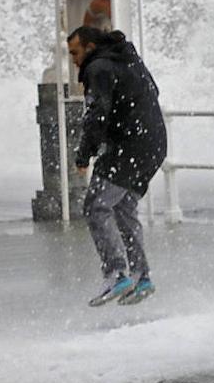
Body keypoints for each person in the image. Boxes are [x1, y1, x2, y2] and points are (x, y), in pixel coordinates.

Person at [68, 26, 167, 307]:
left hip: (129, 146)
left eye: (75, 52)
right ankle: (141, 276)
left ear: (89, 47)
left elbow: (97, 113)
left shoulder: (97, 67)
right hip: (154, 146)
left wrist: (83, 155)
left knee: (96, 206)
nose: (73, 59)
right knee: (123, 207)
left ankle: (116, 273)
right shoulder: (128, 59)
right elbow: (154, 91)